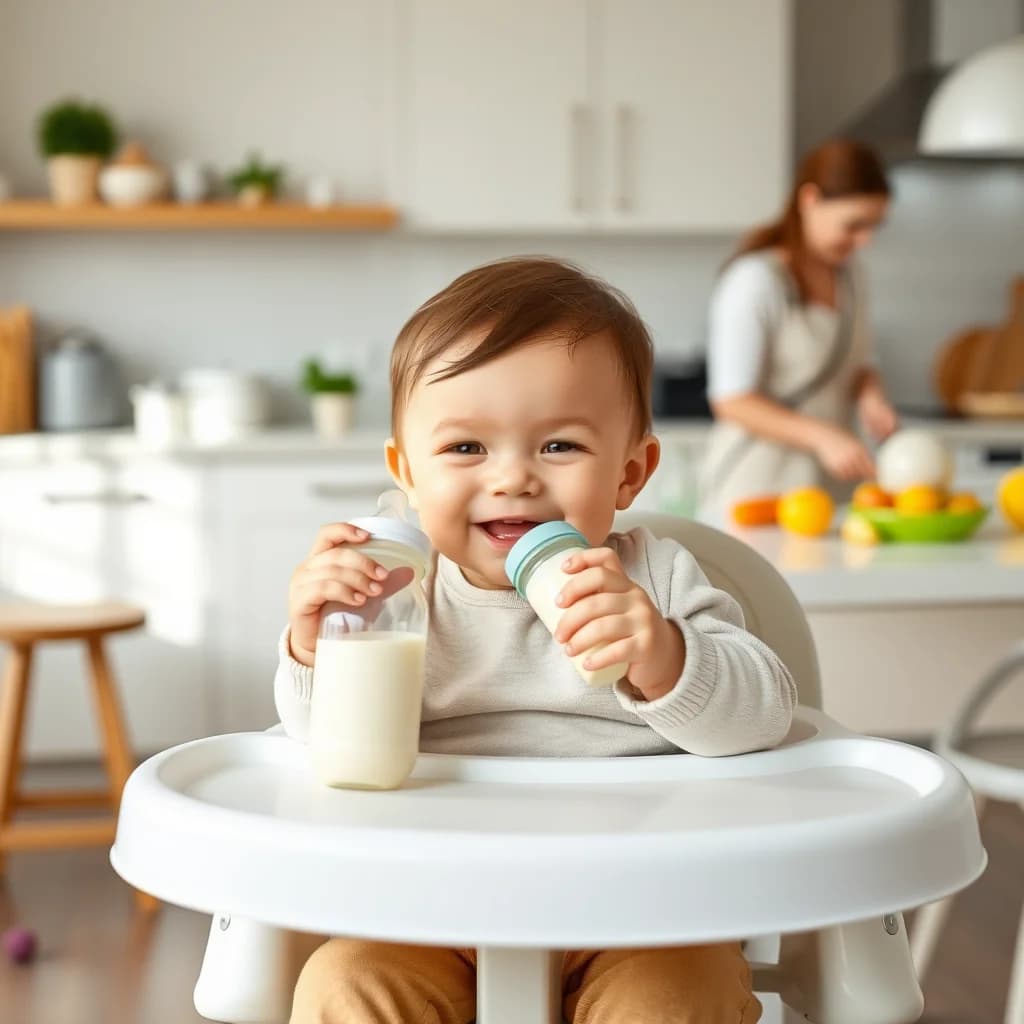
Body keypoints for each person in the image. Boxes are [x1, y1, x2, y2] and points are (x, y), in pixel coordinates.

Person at [276, 256, 796, 1024]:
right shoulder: (395, 596)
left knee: (677, 1003)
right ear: (406, 473)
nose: (512, 477)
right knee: (344, 984)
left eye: (558, 446)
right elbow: (319, 740)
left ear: (630, 473)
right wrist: (319, 645)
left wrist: (663, 655)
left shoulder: (652, 581)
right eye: (464, 449)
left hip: (649, 911)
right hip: (428, 907)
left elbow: (765, 715)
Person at [699, 139, 900, 524]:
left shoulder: (853, 277)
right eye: (854, 225)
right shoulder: (755, 280)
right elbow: (732, 400)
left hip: (831, 490)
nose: (865, 240)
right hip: (758, 486)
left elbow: (861, 360)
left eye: (873, 226)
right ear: (809, 200)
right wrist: (823, 436)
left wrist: (871, 394)